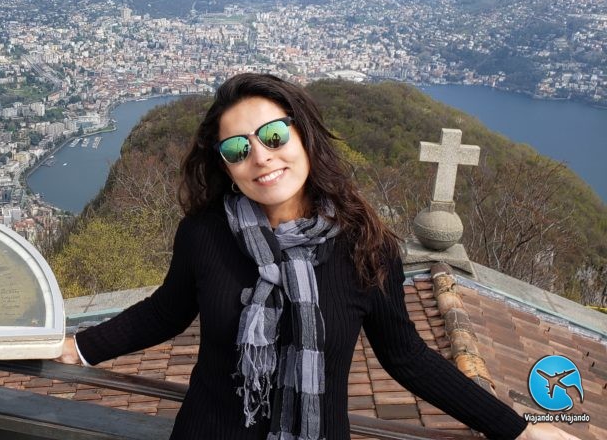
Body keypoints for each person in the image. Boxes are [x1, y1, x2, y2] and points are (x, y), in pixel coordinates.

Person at [58, 73, 578, 440]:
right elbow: (164, 312)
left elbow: (407, 357)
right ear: (225, 165)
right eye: (237, 149)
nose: (260, 156)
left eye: (273, 135)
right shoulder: (205, 233)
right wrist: (74, 348)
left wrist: (520, 430)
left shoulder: (365, 246)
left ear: (303, 134)